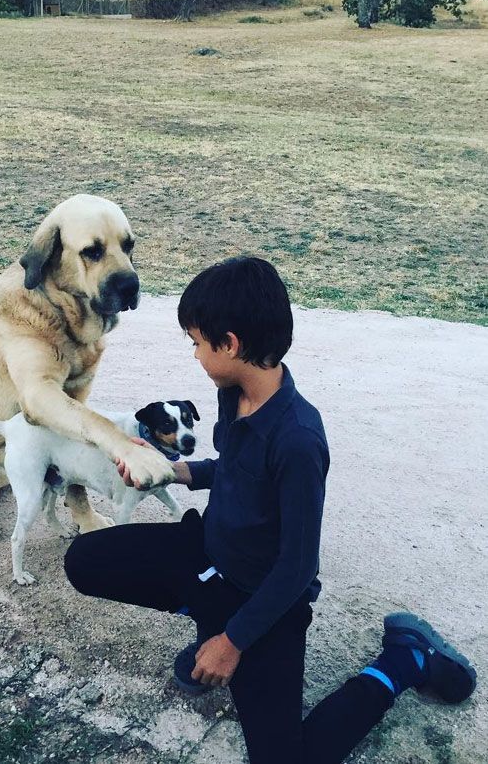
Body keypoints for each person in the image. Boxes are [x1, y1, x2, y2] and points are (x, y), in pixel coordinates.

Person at [64, 256, 476, 764]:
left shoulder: (299, 439)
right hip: (210, 556)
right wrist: (169, 470)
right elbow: (233, 468)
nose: (193, 354)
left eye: (196, 342)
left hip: (269, 597)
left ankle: (405, 660)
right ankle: (206, 618)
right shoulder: (232, 394)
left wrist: (233, 642)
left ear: (230, 344)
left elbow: (299, 566)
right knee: (83, 561)